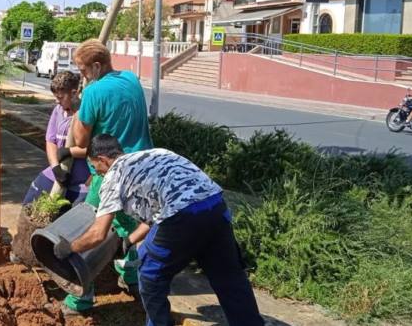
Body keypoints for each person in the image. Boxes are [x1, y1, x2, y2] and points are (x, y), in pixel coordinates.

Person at [54, 135, 264, 326]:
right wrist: (128, 241)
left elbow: (98, 233)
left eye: (95, 167)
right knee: (228, 276)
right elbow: (156, 214)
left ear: (103, 159)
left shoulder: (114, 176)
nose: (97, 172)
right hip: (215, 206)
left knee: (150, 273)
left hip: (181, 216)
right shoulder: (157, 153)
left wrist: (69, 248)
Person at [59, 39, 154, 316]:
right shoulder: (131, 79)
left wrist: (79, 109)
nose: (82, 76)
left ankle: (80, 298)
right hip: (142, 166)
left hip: (110, 169)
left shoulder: (94, 92)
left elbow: (80, 139)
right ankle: (133, 278)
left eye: (84, 70)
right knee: (129, 226)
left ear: (97, 66)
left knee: (94, 227)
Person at [21, 71, 90, 205]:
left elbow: (95, 149)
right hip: (58, 172)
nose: (56, 101)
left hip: (81, 178)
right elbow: (51, 140)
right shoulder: (58, 110)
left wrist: (70, 152)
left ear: (74, 93)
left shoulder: (86, 113)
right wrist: (55, 167)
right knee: (31, 201)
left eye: (60, 97)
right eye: (55, 96)